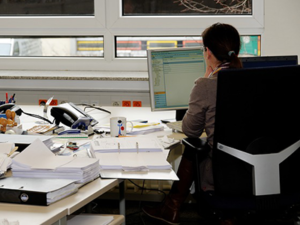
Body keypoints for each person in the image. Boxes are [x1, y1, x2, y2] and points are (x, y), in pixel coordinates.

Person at [142, 23, 243, 225]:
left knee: (194, 148)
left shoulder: (206, 85)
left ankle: (171, 207)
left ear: (207, 52)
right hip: (254, 170)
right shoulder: (253, 79)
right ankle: (172, 207)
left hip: (221, 174)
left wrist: (204, 80)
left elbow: (190, 130)